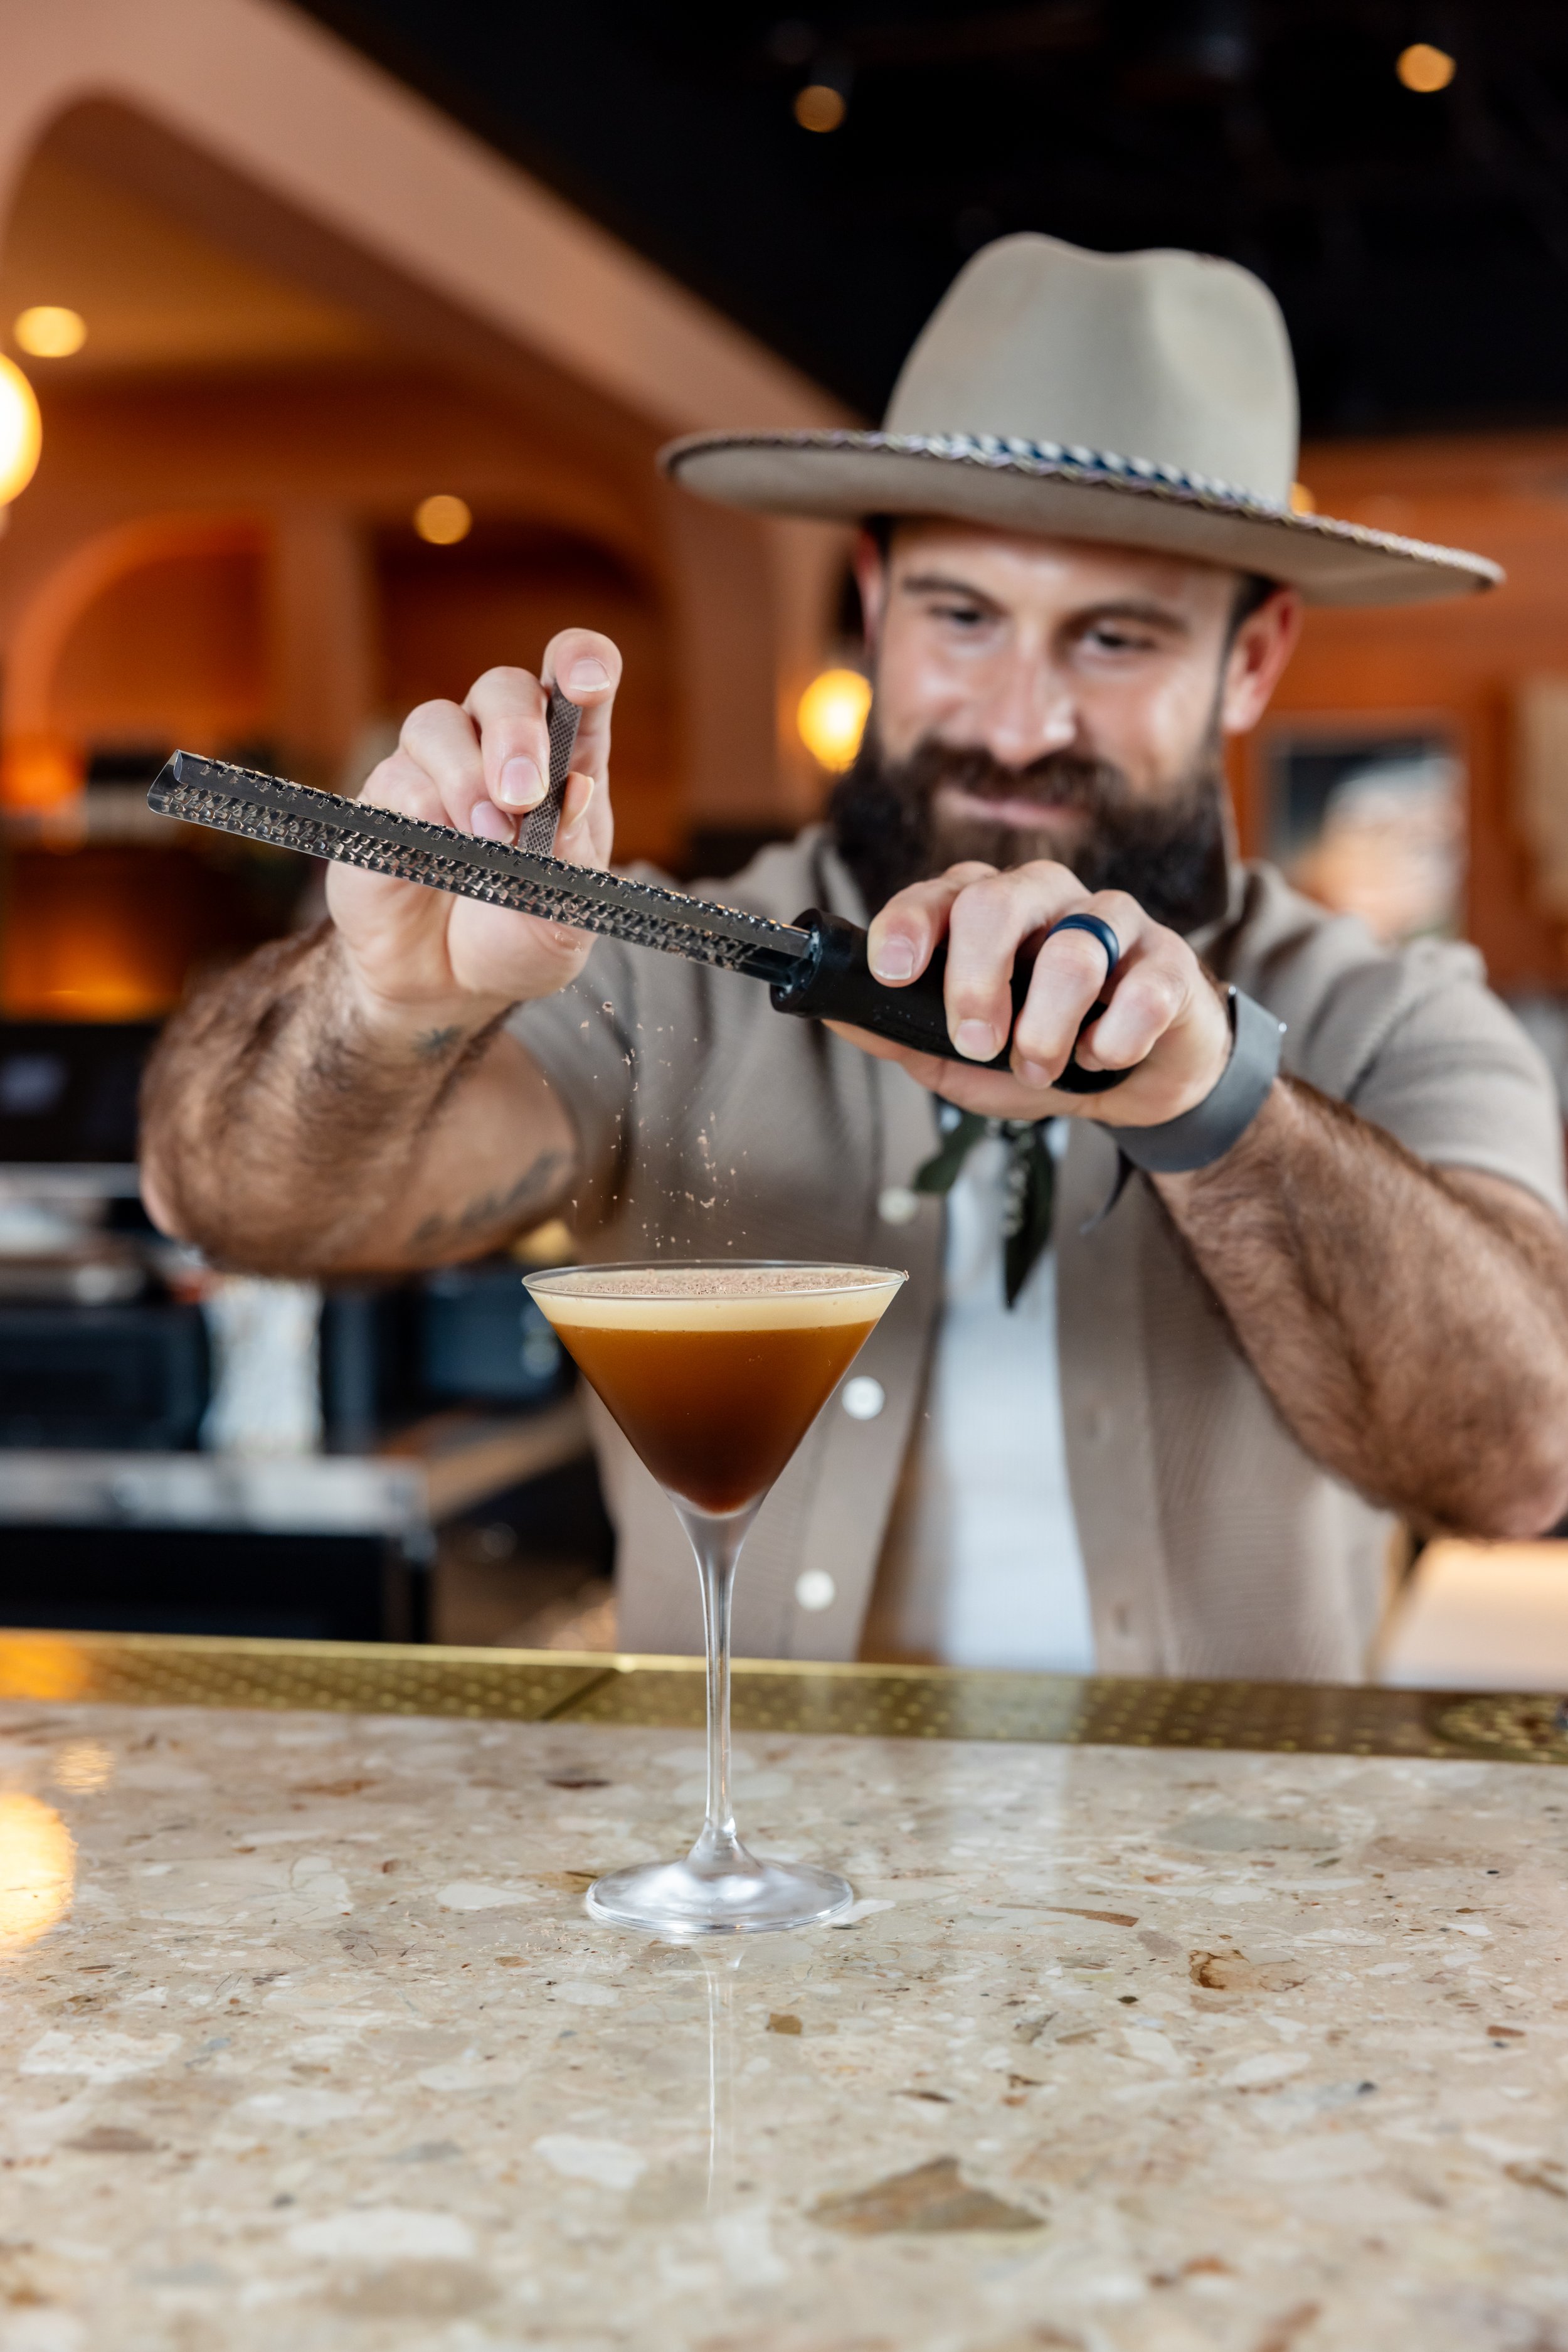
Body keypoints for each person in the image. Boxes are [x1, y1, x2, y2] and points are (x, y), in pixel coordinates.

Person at [140, 235, 1568, 1681]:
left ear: (1250, 660)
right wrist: (385, 1005)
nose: (1016, 726)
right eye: (961, 618)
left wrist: (1212, 1103)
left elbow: (1520, 1468)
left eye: (1115, 639)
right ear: (875, 603)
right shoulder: (641, 979)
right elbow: (240, 1205)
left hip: (1227, 1891)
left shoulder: (1386, 1019)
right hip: (743, 1897)